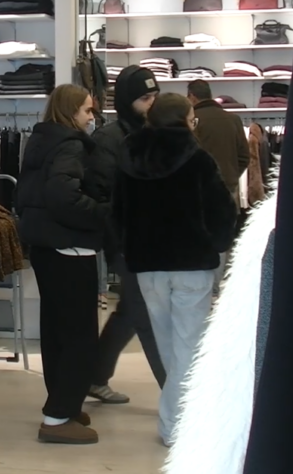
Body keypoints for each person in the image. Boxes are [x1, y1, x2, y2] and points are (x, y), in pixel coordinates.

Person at [115, 92, 237, 447]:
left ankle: (178, 421)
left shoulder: (129, 156)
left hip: (147, 265)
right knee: (188, 346)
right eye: (192, 118)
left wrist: (126, 248)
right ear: (184, 120)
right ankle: (178, 426)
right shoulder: (197, 158)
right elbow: (222, 212)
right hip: (191, 264)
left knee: (169, 346)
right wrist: (218, 244)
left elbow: (118, 212)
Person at [15, 84, 107, 445]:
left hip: (45, 246)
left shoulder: (41, 141)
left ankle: (63, 405)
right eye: (87, 110)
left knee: (56, 333)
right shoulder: (70, 145)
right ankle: (57, 417)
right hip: (70, 248)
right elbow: (63, 196)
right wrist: (103, 213)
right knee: (80, 337)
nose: (91, 117)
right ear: (71, 112)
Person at [84, 66, 166, 404]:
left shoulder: (155, 134)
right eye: (145, 98)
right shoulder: (109, 140)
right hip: (127, 243)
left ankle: (94, 376)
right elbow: (102, 195)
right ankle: (177, 396)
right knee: (146, 316)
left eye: (155, 96)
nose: (152, 104)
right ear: (127, 101)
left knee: (131, 313)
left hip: (153, 241)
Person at [186, 79, 250, 293]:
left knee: (196, 237)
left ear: (192, 96)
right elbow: (244, 156)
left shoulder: (192, 120)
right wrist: (230, 175)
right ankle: (217, 290)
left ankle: (200, 288)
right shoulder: (233, 120)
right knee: (222, 238)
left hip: (195, 189)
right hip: (227, 188)